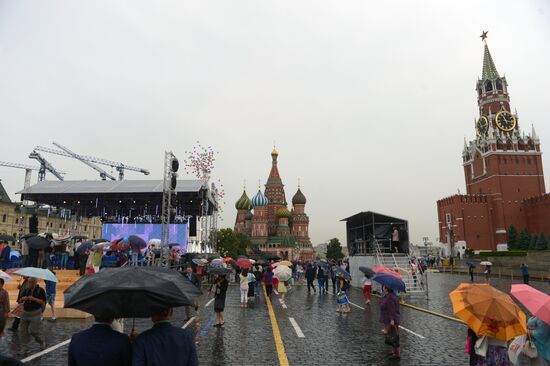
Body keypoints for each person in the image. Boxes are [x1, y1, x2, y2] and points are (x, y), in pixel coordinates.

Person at [132, 308, 198, 366]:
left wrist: (134, 344)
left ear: (152, 314)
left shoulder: (141, 340)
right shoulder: (187, 336)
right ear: (171, 312)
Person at [19, 277, 46, 348]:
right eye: (28, 282)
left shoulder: (41, 290)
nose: (28, 283)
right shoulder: (26, 290)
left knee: (33, 331)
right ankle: (24, 347)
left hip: (35, 313)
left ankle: (41, 341)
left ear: (34, 282)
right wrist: (22, 299)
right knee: (23, 332)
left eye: (30, 282)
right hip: (25, 313)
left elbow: (42, 302)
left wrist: (33, 299)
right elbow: (20, 299)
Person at [380, 286, 400, 360]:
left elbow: (392, 309)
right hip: (389, 318)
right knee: (391, 335)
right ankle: (394, 351)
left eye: (384, 288)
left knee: (394, 336)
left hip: (391, 319)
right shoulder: (389, 296)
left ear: (387, 289)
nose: (383, 289)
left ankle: (396, 354)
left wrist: (392, 319)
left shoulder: (390, 298)